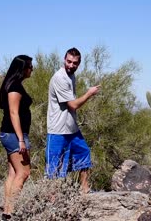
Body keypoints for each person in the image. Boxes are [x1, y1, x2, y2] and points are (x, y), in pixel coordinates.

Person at [45, 47, 100, 193]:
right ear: (64, 59)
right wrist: (89, 93)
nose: (71, 65)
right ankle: (52, 200)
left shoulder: (71, 76)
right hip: (57, 129)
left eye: (74, 63)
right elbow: (73, 105)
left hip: (71, 128)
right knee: (54, 167)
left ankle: (85, 189)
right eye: (69, 61)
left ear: (79, 63)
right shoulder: (60, 78)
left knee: (83, 153)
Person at [0, 55, 33, 220]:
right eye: (30, 67)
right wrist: (20, 139)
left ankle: (7, 211)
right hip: (14, 135)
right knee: (24, 172)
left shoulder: (13, 85)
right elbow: (13, 113)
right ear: (22, 69)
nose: (31, 69)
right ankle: (10, 212)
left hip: (10, 134)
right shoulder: (14, 88)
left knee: (13, 173)